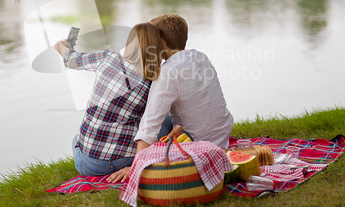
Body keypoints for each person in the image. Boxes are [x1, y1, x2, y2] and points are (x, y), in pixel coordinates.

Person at [107, 14, 234, 182]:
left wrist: (135, 166)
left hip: (196, 145)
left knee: (147, 119)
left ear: (160, 40)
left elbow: (149, 125)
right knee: (165, 115)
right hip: (221, 137)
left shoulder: (167, 72)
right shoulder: (200, 56)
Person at [55, 23, 162, 176]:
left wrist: (61, 46)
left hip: (88, 165)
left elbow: (71, 59)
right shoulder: (154, 79)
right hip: (126, 161)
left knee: (75, 140)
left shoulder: (108, 58)